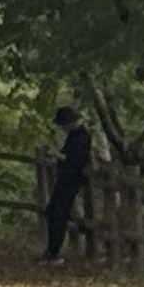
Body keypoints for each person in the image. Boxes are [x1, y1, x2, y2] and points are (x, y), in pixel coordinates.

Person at [45, 105, 95, 264]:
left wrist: (58, 155)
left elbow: (76, 160)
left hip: (73, 178)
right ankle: (51, 249)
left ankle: (54, 251)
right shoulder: (73, 136)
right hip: (65, 177)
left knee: (59, 213)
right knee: (52, 211)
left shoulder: (83, 137)